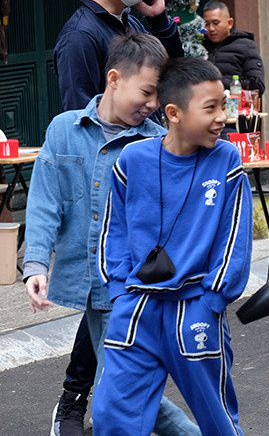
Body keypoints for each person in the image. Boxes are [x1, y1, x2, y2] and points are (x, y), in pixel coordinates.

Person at [22, 34, 198, 436]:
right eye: (148, 92)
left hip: (133, 289)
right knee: (121, 387)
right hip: (91, 285)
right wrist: (36, 262)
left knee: (121, 390)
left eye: (160, 95)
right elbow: (45, 202)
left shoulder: (158, 143)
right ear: (114, 79)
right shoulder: (63, 130)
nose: (154, 104)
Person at [92, 56, 251, 435]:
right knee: (113, 416)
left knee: (217, 420)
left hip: (195, 306)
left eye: (224, 105)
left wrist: (213, 300)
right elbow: (113, 229)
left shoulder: (225, 159)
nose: (222, 117)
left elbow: (234, 238)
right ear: (173, 113)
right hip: (137, 307)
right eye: (210, 108)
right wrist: (118, 291)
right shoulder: (132, 159)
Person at [54, 0, 182, 111]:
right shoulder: (79, 36)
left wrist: (158, 19)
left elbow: (171, 73)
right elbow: (80, 113)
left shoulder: (131, 22)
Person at [202, 0, 267, 94]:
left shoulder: (246, 46)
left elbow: (258, 86)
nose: (211, 29)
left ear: (230, 23)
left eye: (216, 23)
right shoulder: (199, 46)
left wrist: (221, 84)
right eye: (206, 24)